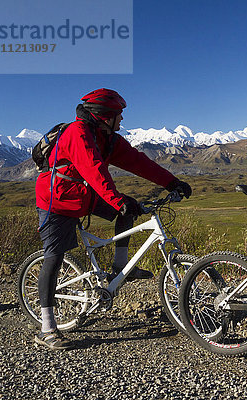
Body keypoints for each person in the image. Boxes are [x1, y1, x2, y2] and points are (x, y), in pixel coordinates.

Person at [34, 88, 191, 350]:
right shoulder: (77, 133)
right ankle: (47, 327)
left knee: (130, 208)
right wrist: (115, 200)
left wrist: (171, 182)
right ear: (105, 116)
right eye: (119, 115)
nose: (122, 120)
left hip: (83, 194)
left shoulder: (107, 138)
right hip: (56, 199)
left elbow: (138, 162)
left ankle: (120, 267)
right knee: (54, 256)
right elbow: (92, 169)